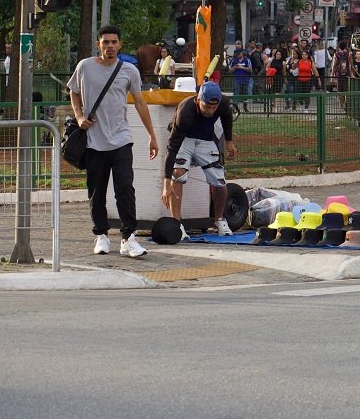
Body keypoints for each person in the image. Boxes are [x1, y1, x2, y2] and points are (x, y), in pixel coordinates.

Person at [69, 25, 159, 258]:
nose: (110, 46)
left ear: (120, 45)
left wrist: (152, 135)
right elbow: (74, 91)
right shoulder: (85, 67)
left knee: (125, 189)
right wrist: (79, 117)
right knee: (96, 192)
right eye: (105, 42)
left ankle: (128, 238)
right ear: (98, 44)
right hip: (94, 142)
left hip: (121, 140)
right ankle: (101, 234)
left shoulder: (129, 70)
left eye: (114, 42)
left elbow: (139, 102)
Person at [161, 82, 237, 237]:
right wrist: (166, 182)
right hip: (184, 139)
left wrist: (229, 141)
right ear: (198, 100)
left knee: (219, 179)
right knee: (179, 173)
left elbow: (227, 118)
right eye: (206, 107)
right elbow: (172, 148)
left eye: (213, 107)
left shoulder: (222, 103)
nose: (210, 111)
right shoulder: (185, 111)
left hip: (205, 140)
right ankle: (177, 223)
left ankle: (219, 220)